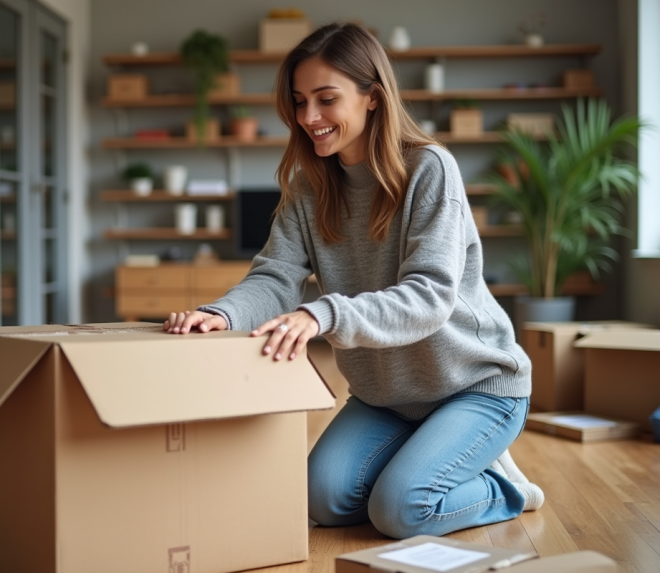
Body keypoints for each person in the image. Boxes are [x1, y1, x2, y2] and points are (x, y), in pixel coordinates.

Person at [163, 22, 543, 539]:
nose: (309, 118)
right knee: (321, 500)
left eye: (326, 99)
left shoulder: (430, 169)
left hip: (474, 388)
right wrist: (220, 314)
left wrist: (323, 313)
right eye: (299, 102)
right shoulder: (308, 188)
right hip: (386, 396)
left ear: (373, 99)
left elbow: (429, 296)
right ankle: (428, 461)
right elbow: (274, 276)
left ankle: (506, 487)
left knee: (400, 511)